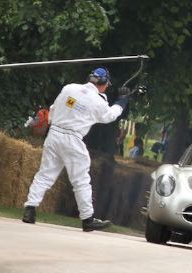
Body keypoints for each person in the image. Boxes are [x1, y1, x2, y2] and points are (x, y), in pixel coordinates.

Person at [21, 67, 133, 232]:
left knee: (44, 174)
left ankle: (29, 209)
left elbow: (53, 108)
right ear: (103, 84)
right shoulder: (98, 101)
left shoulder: (69, 88)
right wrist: (122, 101)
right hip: (73, 139)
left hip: (54, 134)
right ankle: (88, 219)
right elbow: (109, 116)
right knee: (80, 180)